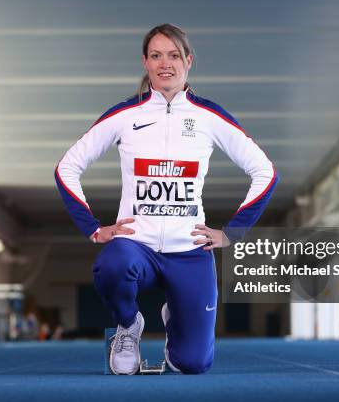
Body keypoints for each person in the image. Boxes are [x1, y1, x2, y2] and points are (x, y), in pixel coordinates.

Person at [55, 24, 278, 374]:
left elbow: (265, 172)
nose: (165, 64)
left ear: (188, 61)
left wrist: (233, 233)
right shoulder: (124, 116)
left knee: (193, 364)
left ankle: (176, 315)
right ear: (145, 62)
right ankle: (128, 326)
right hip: (136, 246)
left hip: (189, 252)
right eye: (156, 55)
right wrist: (94, 229)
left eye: (174, 55)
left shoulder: (210, 116)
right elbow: (67, 168)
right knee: (111, 265)